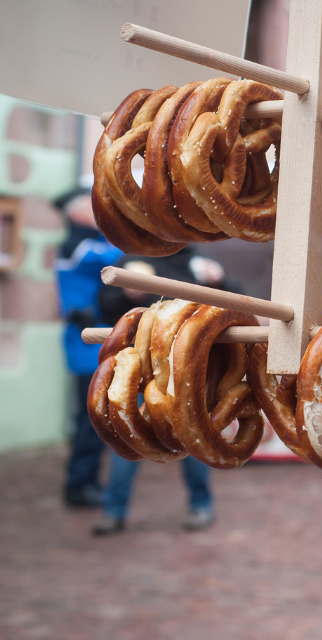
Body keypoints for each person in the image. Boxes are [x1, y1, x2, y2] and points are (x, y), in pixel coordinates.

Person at [91, 248, 228, 535]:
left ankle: (201, 505)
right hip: (137, 369)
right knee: (127, 435)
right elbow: (105, 304)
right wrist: (128, 296)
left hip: (187, 368)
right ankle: (114, 510)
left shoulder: (197, 262)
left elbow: (227, 309)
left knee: (192, 438)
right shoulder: (131, 260)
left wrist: (219, 280)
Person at [54, 187, 123, 507]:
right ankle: (79, 485)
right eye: (89, 206)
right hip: (85, 343)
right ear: (74, 213)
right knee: (90, 416)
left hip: (92, 340)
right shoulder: (78, 246)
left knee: (95, 415)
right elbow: (115, 257)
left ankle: (86, 481)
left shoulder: (83, 243)